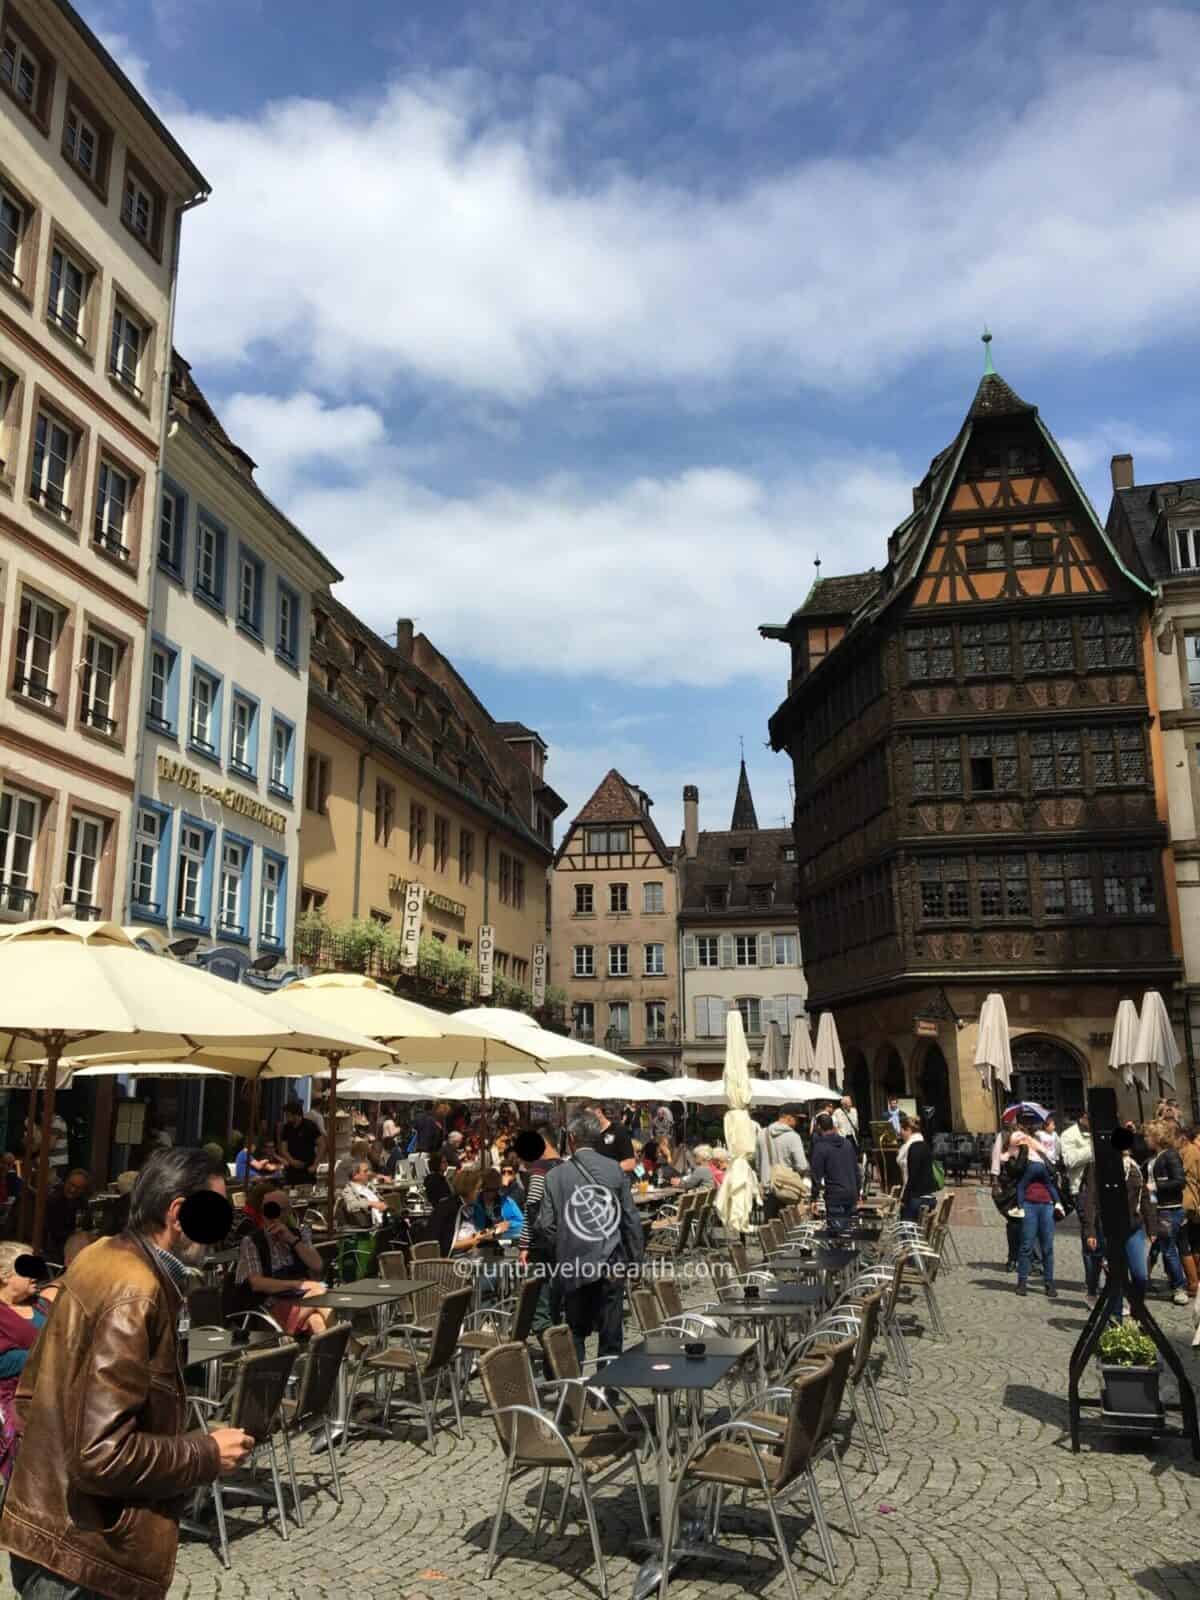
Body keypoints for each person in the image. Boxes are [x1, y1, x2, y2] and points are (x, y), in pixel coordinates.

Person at [0, 1147, 252, 1600]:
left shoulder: (101, 1254)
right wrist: (205, 1454)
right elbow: (101, 1456)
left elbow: (32, 1392)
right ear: (178, 1213)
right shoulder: (137, 1290)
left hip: (53, 1535)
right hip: (80, 1561)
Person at [533, 1108, 644, 1366]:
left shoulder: (554, 1176)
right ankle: (607, 1392)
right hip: (611, 1262)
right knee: (610, 1331)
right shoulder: (615, 1170)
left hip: (573, 1264)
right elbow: (630, 1220)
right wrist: (636, 1262)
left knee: (575, 1330)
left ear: (571, 1138)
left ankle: (575, 1392)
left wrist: (564, 1248)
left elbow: (546, 1225)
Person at [235, 1188, 330, 1335]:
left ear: (287, 1213)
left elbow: (317, 1265)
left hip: (302, 1299)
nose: (271, 1217)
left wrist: (292, 1240)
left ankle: (334, 1352)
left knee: (316, 1320)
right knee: (318, 1291)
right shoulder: (252, 1241)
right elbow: (256, 1283)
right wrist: (299, 1284)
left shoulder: (299, 1235)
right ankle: (351, 1347)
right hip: (273, 1304)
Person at [1082, 1125, 1152, 1315]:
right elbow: (1090, 1199)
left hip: (1134, 1228)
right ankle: (1115, 1320)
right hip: (1110, 1228)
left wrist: (1152, 1227)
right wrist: (1090, 1230)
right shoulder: (1098, 1166)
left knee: (1140, 1275)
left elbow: (1143, 1195)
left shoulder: (1134, 1166)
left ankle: (1138, 1313)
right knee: (1115, 1278)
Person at [0, 1245, 49, 1483]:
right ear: (5, 1275)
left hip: (45, 1400)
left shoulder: (41, 1305)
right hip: (9, 1404)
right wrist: (43, 1354)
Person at [1011, 1127, 1064, 1298]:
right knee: (1027, 1245)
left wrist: (1057, 1202)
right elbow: (1018, 1180)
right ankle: (1022, 1282)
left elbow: (1051, 1175)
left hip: (1046, 1204)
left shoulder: (1041, 1155)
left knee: (1047, 1246)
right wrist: (1020, 1206)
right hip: (1029, 1204)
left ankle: (1049, 1283)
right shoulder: (1020, 1154)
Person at [1145, 1120, 1190, 1304]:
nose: (1146, 1139)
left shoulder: (1170, 1155)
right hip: (1159, 1208)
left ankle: (1179, 1287)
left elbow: (1180, 1181)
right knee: (1158, 1247)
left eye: (1148, 1135)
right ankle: (1143, 1280)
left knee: (1169, 1249)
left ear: (1157, 1137)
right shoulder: (1156, 1156)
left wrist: (1155, 1186)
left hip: (1169, 1209)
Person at [756, 1104, 810, 1220]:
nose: (798, 1122)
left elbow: (758, 1164)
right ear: (788, 1118)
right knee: (790, 1230)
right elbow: (802, 1165)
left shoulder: (762, 1134)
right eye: (797, 1119)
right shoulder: (793, 1136)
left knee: (771, 1230)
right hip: (788, 1189)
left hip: (768, 1189)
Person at [809, 1112, 859, 1234]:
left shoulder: (820, 1147)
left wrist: (814, 1198)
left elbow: (816, 1175)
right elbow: (856, 1170)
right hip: (851, 1193)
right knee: (848, 1233)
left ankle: (840, 1251)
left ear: (819, 1127)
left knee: (836, 1235)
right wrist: (858, 1191)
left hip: (835, 1195)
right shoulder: (847, 1143)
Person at [43, 1170, 90, 1266]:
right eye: (71, 1184)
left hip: (76, 1245)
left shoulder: (82, 1202)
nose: (72, 1190)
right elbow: (53, 1231)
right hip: (55, 1249)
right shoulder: (53, 1200)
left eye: (78, 1188)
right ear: (66, 1181)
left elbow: (86, 1224)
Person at [1175, 1122, 1200, 1299]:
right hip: (1192, 1200)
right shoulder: (1192, 1150)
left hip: (1187, 1200)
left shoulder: (1188, 1152)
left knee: (1185, 1243)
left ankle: (1193, 1283)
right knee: (1194, 1240)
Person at [898, 1113, 938, 1222]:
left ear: (908, 1130)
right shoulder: (924, 1145)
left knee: (905, 1230)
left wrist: (904, 1198)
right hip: (927, 1196)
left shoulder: (914, 1147)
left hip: (917, 1198)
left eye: (902, 1130)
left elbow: (913, 1176)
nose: (900, 1133)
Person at [279, 1099, 323, 1186]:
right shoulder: (287, 1128)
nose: (286, 1117)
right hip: (292, 1170)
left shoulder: (309, 1126)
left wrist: (315, 1164)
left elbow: (322, 1144)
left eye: (288, 1115)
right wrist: (292, 1161)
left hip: (308, 1169)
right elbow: (283, 1148)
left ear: (296, 1114)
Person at [585, 1101, 636, 1172]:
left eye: (588, 1115)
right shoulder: (589, 1135)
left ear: (599, 1112)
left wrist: (604, 1170)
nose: (585, 1119)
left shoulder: (618, 1130)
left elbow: (630, 1163)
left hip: (613, 1180)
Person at [473, 1169, 524, 1236]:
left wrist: (509, 1224)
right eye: (487, 1189)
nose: (491, 1194)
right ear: (481, 1188)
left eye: (494, 1190)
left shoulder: (507, 1202)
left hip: (501, 1241)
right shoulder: (474, 1203)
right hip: (478, 1242)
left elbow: (522, 1223)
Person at [339, 1160, 386, 1229]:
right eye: (365, 1171)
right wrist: (371, 1204)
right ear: (355, 1175)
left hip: (384, 1220)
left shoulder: (370, 1186)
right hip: (371, 1226)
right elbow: (351, 1205)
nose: (369, 1173)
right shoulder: (348, 1190)